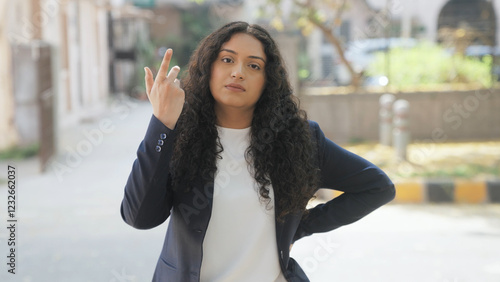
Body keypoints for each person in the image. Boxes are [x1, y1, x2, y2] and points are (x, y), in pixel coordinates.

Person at [120, 21, 395, 282]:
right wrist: (162, 124)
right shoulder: (180, 136)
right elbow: (139, 217)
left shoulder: (299, 140)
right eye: (227, 59)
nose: (238, 71)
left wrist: (301, 224)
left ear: (267, 80)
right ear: (209, 68)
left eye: (253, 65)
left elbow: (377, 187)